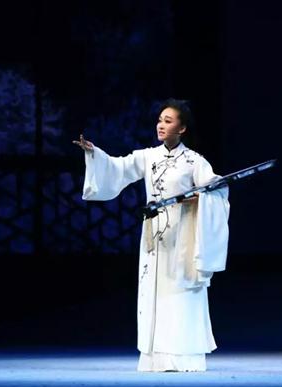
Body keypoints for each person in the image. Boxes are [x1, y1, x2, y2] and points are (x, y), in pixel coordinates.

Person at [73, 99, 230, 372]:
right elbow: (118, 167)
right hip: (155, 238)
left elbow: (216, 190)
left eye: (168, 121)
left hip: (182, 238)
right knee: (155, 293)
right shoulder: (148, 157)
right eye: (160, 120)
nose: (161, 125)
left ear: (182, 128)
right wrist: (94, 153)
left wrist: (199, 199)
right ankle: (156, 357)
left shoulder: (194, 161)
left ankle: (184, 357)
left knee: (181, 292)